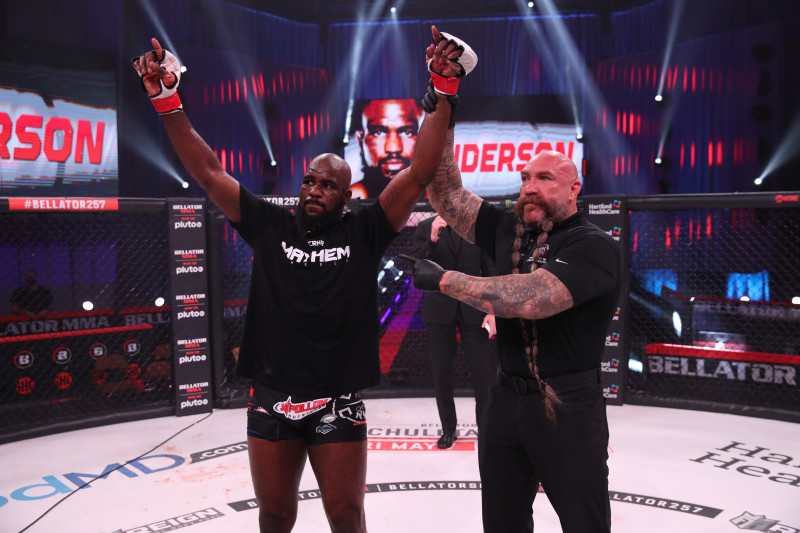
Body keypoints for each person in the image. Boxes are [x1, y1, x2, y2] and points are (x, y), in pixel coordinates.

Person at [132, 26, 475, 533]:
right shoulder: (269, 225)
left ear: (345, 196)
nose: (314, 189)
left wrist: (443, 90)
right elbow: (209, 173)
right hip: (273, 393)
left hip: (337, 396)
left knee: (346, 515)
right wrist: (167, 100)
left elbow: (420, 172)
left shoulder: (366, 228)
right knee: (275, 514)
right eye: (309, 181)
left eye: (328, 185)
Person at [403, 94, 621, 532]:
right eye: (525, 178)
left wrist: (445, 280)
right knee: (502, 521)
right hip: (505, 400)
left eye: (545, 178)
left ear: (574, 189)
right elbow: (445, 194)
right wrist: (444, 112)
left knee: (585, 523)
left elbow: (529, 299)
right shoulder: (509, 227)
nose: (529, 187)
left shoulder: (594, 245)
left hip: (567, 404)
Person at [411, 214, 495, 449]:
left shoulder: (478, 226)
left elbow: (489, 270)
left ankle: (485, 429)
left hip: (474, 308)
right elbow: (417, 267)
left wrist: (492, 309)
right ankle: (448, 429)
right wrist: (432, 240)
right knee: (442, 373)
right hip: (439, 309)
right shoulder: (426, 227)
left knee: (482, 375)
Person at [351, 98, 424, 199]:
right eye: (378, 132)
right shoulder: (350, 197)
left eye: (407, 133)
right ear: (360, 139)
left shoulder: (438, 197)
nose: (393, 148)